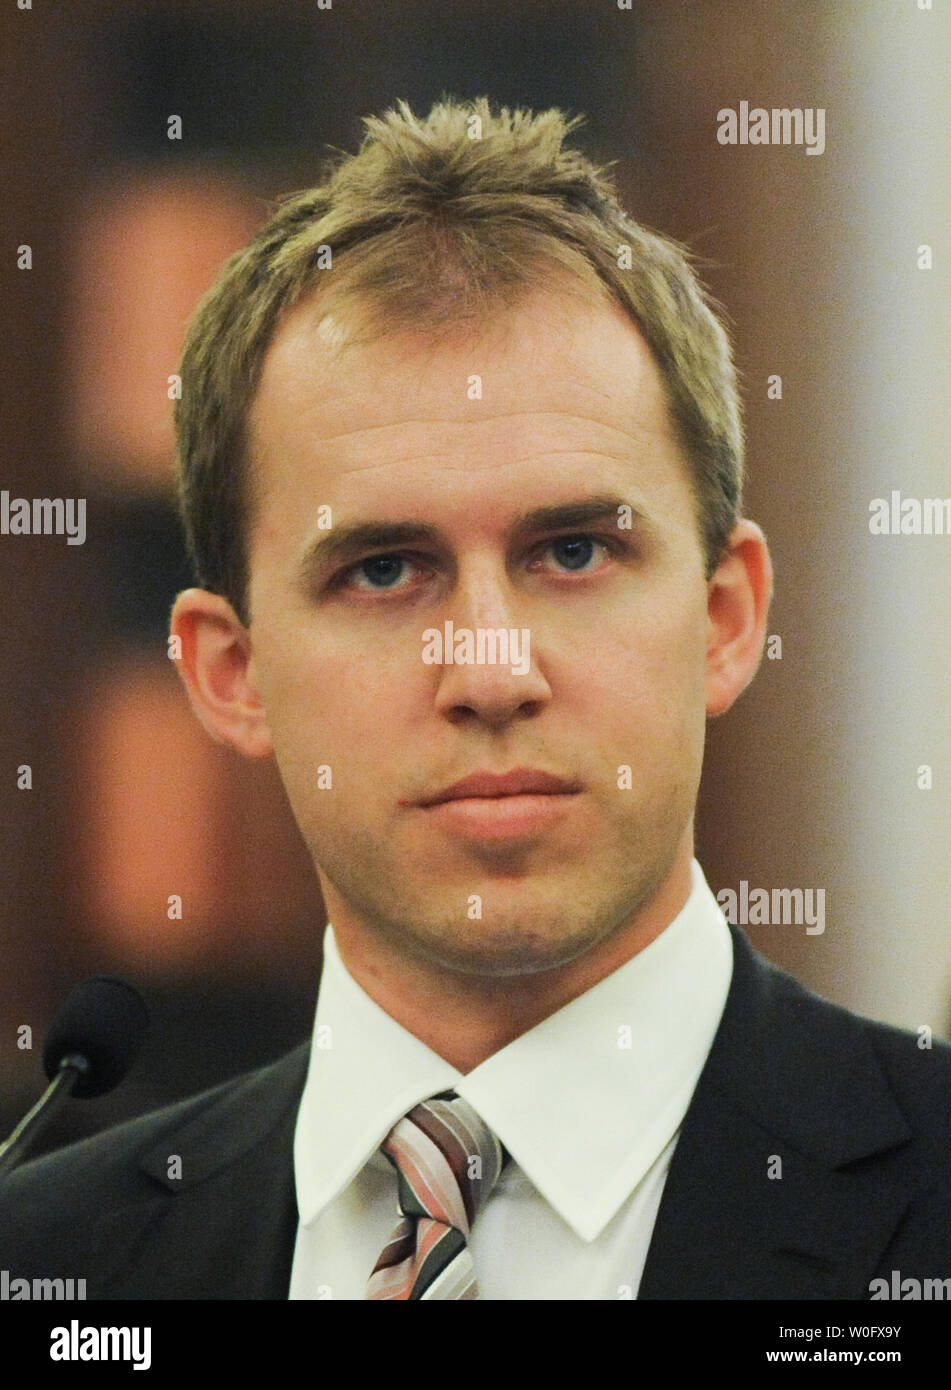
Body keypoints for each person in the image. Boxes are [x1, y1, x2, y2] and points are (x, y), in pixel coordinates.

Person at [2, 97, 949, 1301]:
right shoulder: (46, 1266)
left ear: (726, 620)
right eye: (385, 570)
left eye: (573, 554)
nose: (493, 669)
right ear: (230, 673)